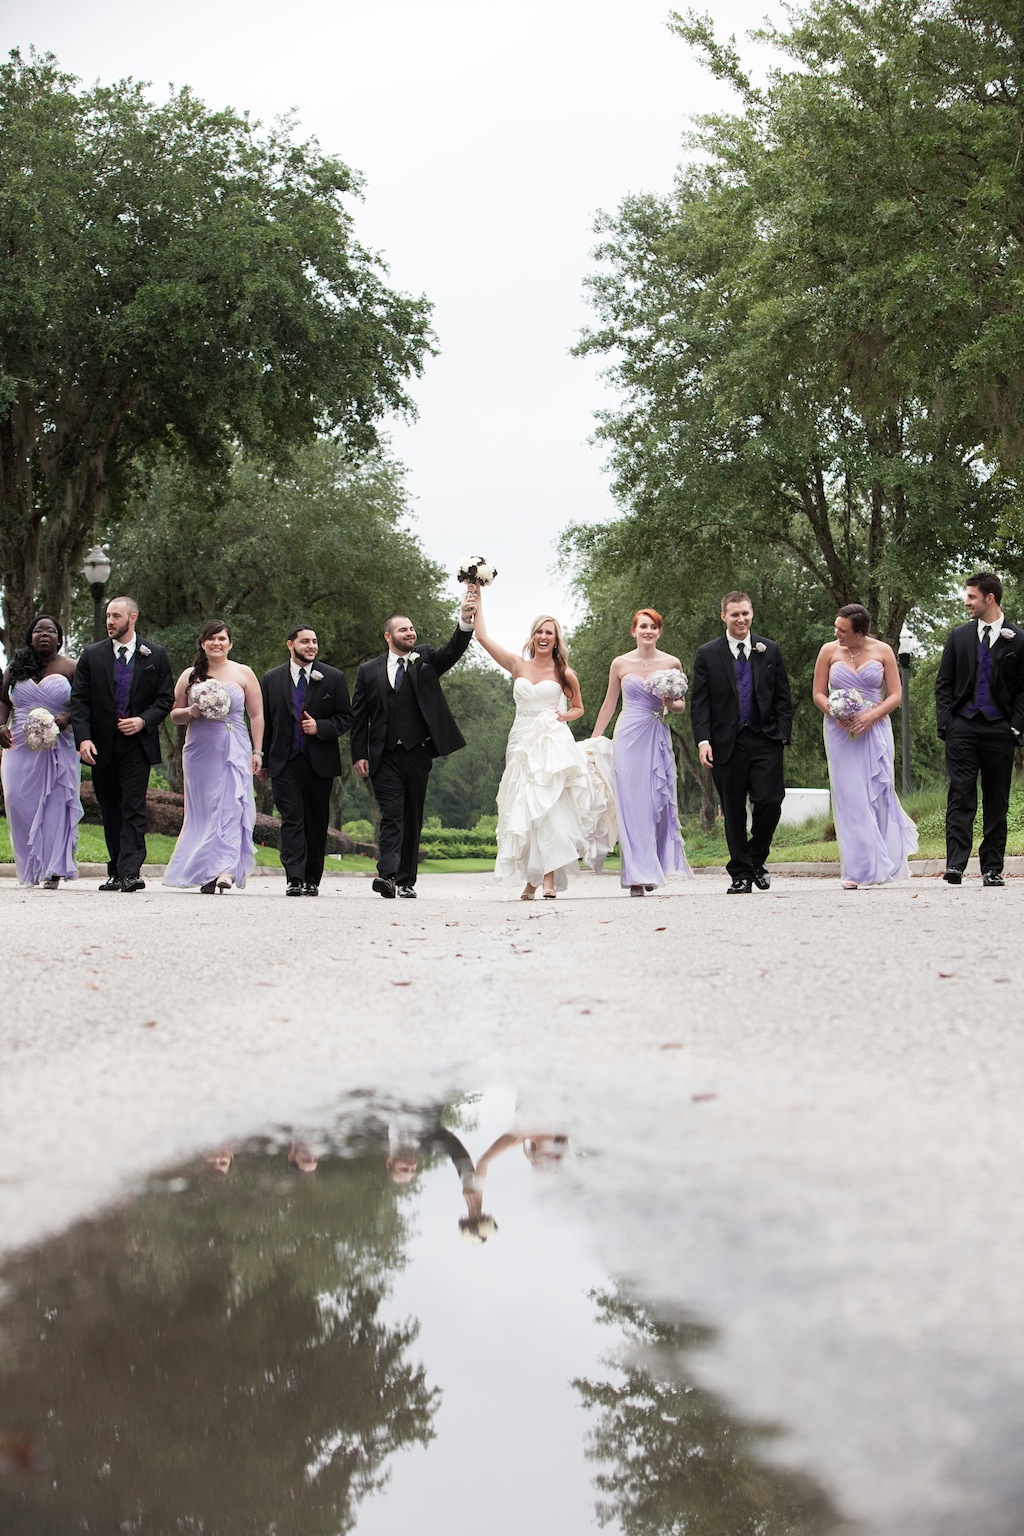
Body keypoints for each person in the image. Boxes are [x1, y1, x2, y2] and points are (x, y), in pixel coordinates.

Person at [350, 596, 476, 899]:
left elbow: (453, 651)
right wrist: (359, 754)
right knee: (392, 813)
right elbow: (359, 716)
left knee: (412, 814)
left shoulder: (426, 658)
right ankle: (388, 877)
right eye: (404, 630)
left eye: (412, 629)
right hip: (384, 755)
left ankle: (406, 881)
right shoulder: (368, 671)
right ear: (388, 636)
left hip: (418, 752)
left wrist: (465, 620)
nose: (411, 633)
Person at [472, 587, 590, 899]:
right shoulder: (516, 665)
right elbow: (482, 638)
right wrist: (477, 598)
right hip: (520, 739)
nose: (543, 636)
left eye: (549, 632)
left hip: (549, 741)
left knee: (547, 807)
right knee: (522, 808)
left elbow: (578, 707)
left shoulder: (565, 672)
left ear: (556, 638)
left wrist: (562, 718)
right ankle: (530, 880)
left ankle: (547, 879)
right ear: (532, 635)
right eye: (539, 631)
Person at [70, 596, 174, 892]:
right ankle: (116, 870)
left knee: (133, 807)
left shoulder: (155, 654)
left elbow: (165, 698)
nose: (109, 622)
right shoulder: (92, 654)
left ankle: (130, 872)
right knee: (111, 808)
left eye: (116, 616)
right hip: (101, 745)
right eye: (107, 616)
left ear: (133, 618)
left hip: (137, 745)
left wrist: (143, 720)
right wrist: (84, 738)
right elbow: (79, 701)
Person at [691, 590, 793, 894]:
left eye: (745, 613)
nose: (741, 619)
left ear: (752, 614)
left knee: (770, 801)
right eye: (735, 614)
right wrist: (703, 740)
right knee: (733, 810)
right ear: (724, 616)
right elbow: (700, 703)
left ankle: (756, 858)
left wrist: (782, 734)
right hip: (725, 743)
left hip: (765, 740)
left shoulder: (769, 650)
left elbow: (783, 698)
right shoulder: (707, 653)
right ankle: (740, 874)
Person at [812, 604, 918, 889]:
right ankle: (857, 870)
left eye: (842, 630)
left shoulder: (883, 651)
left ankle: (882, 863)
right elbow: (818, 693)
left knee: (877, 792)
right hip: (839, 732)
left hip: (875, 729)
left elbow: (895, 695)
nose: (837, 634)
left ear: (860, 633)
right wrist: (836, 712)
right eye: (836, 628)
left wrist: (871, 716)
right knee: (850, 796)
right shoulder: (828, 651)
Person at [590, 607, 693, 895]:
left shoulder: (672, 662)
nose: (648, 631)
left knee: (654, 804)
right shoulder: (620, 664)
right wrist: (594, 740)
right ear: (633, 631)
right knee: (631, 806)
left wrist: (669, 703)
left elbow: (682, 705)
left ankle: (653, 868)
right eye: (643, 626)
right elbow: (610, 704)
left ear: (659, 632)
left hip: (657, 734)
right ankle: (636, 875)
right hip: (628, 736)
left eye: (654, 627)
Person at [935, 571, 1024, 887]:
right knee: (960, 795)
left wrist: (1015, 727)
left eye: (971, 596)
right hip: (963, 727)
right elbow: (944, 683)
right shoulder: (959, 636)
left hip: (1000, 729)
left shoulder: (1018, 638)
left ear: (990, 598)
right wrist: (946, 723)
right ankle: (956, 865)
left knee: (997, 799)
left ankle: (992, 869)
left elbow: (1023, 688)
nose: (966, 601)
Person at [163, 620, 263, 895]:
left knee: (232, 804)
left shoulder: (243, 673)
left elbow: (256, 715)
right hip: (199, 748)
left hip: (234, 743)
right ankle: (205, 870)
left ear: (230, 643)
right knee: (204, 809)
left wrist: (257, 751)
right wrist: (190, 712)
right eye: (211, 639)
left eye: (221, 639)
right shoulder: (189, 675)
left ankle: (226, 870)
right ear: (203, 643)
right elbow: (174, 714)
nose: (216, 643)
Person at [259, 625, 352, 896]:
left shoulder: (333, 678)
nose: (311, 646)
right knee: (291, 819)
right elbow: (265, 721)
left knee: (316, 821)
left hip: (319, 762)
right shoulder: (271, 678)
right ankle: (294, 878)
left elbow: (346, 718)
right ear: (291, 645)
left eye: (314, 641)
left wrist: (320, 727)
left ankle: (312, 878)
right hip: (284, 761)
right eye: (305, 641)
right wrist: (262, 759)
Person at [0, 615, 82, 888]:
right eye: (38, 630)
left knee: (55, 804)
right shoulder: (16, 666)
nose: (44, 634)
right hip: (19, 745)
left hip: (58, 745)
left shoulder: (71, 666)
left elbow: (85, 703)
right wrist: (1, 725)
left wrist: (67, 718)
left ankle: (53, 868)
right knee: (15, 799)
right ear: (30, 636)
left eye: (50, 630)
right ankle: (30, 865)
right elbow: (3, 700)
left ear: (59, 637)